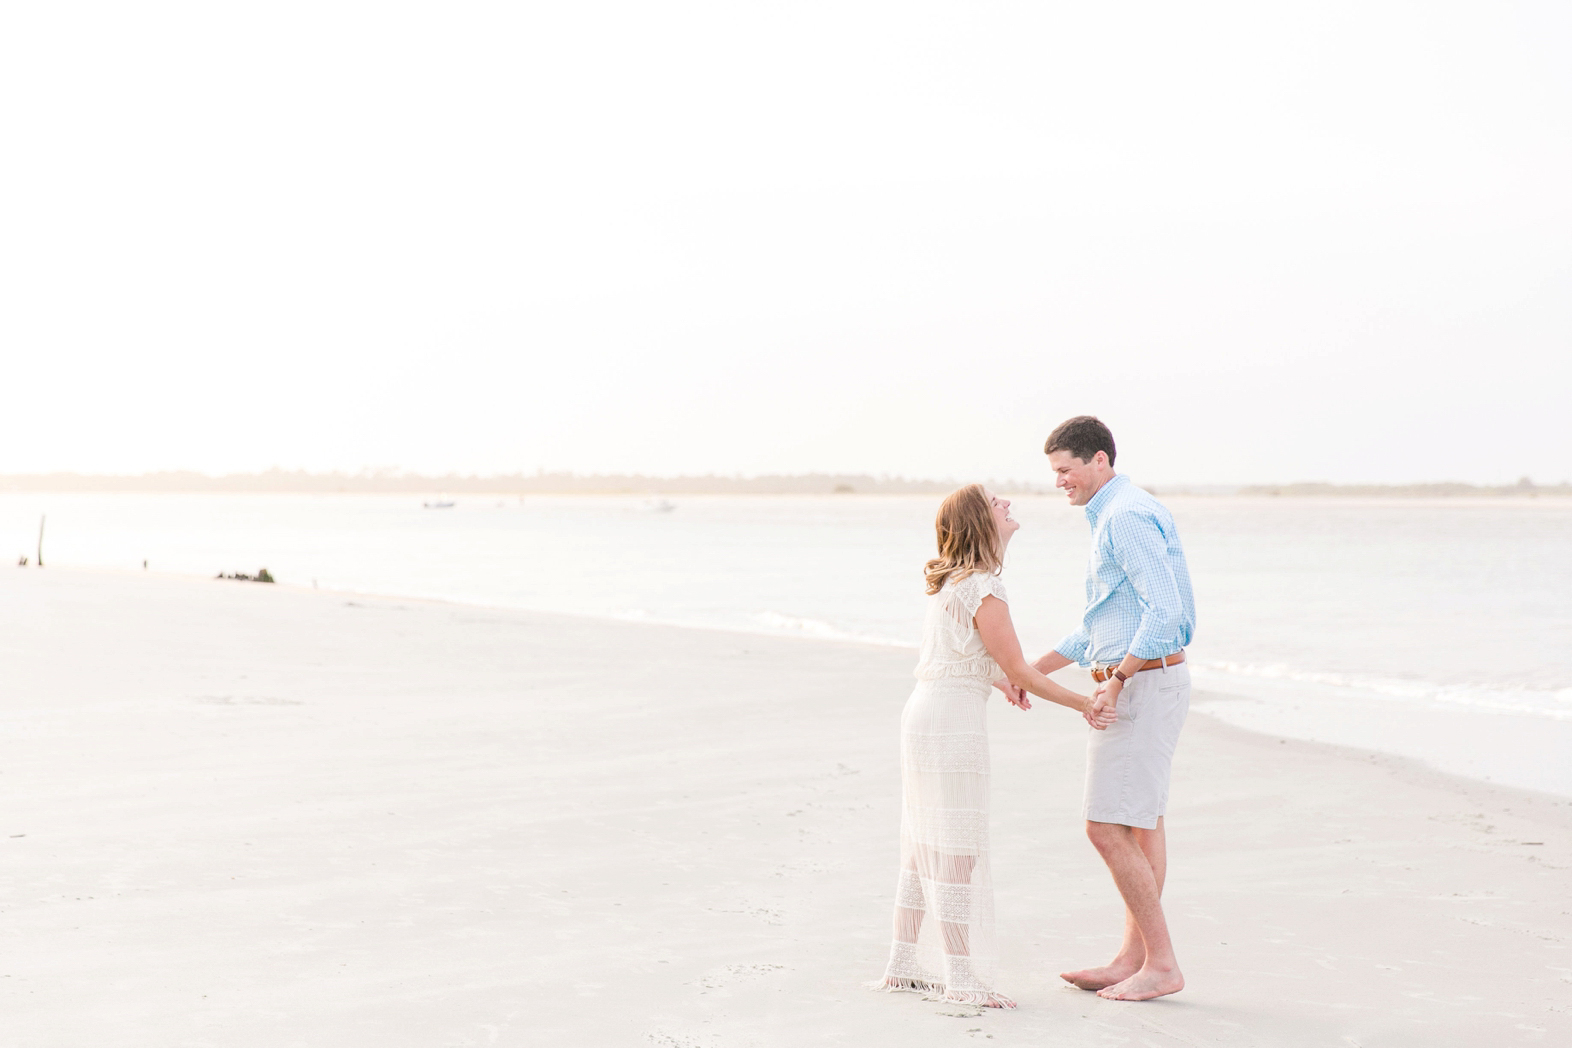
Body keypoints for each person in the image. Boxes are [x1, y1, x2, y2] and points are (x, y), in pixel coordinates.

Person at [874, 484, 1115, 1008]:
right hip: (950, 722)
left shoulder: (955, 582)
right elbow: (1018, 666)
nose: (1006, 502)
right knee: (956, 848)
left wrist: (1002, 680)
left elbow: (967, 658)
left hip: (925, 711)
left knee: (922, 845)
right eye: (994, 502)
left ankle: (901, 963)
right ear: (980, 523)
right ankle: (961, 976)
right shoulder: (983, 585)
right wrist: (1084, 704)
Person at [1030, 416, 1196, 1002]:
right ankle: (1134, 958)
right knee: (1137, 825)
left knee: (1105, 828)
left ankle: (1163, 965)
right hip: (1146, 680)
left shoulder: (1124, 517)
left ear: (1099, 460)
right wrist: (1027, 671)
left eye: (1065, 471)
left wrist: (1119, 681)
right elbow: (1102, 623)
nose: (1059, 483)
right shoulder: (1114, 513)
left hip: (1145, 684)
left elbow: (1164, 611)